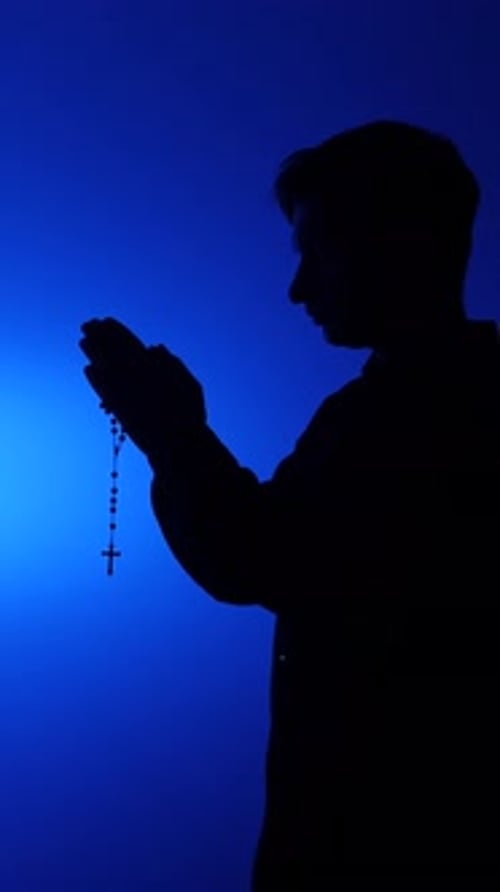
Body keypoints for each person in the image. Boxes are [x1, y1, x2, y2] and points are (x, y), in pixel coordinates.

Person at [80, 120, 500, 890]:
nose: (298, 288)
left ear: (397, 242)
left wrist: (173, 435)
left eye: (317, 252)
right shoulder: (409, 404)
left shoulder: (419, 414)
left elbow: (261, 556)